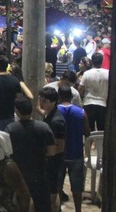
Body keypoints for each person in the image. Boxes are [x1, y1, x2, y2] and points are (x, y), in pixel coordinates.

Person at [5, 97, 55, 212]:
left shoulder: (10, 129)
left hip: (18, 175)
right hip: (40, 174)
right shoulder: (44, 128)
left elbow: (6, 152)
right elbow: (51, 151)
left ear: (17, 111)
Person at [57, 84, 90, 212]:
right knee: (77, 188)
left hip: (59, 154)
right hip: (76, 153)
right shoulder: (81, 112)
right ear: (71, 97)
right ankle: (78, 210)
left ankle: (58, 208)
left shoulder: (55, 111)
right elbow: (87, 132)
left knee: (57, 186)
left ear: (59, 96)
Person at [38, 86, 67, 212]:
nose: (41, 103)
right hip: (49, 161)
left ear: (53, 102)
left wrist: (45, 153)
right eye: (41, 100)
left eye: (44, 101)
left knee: (53, 193)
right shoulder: (48, 114)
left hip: (54, 162)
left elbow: (60, 146)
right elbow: (41, 111)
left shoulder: (56, 121)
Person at [78, 52, 109, 131]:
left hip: (89, 103)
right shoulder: (108, 73)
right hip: (103, 103)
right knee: (101, 128)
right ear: (102, 61)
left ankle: (90, 143)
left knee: (89, 128)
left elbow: (80, 89)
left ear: (92, 61)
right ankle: (100, 143)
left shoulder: (87, 73)